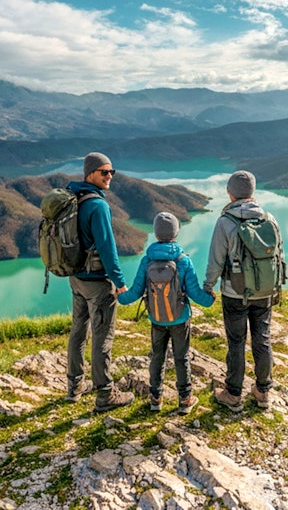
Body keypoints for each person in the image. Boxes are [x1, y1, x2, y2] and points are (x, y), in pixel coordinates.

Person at [118, 212, 215, 414]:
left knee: (157, 357)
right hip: (180, 319)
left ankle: (156, 399)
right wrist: (210, 299)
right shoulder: (183, 260)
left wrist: (120, 296)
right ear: (176, 233)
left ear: (155, 233)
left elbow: (136, 291)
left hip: (157, 319)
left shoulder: (147, 261)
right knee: (182, 358)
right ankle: (185, 399)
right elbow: (195, 292)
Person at [203, 170, 284, 412]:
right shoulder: (270, 219)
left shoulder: (225, 221)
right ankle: (262, 391)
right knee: (263, 339)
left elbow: (216, 260)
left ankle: (233, 394)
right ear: (252, 192)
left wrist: (208, 286)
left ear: (230, 193)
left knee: (236, 342)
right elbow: (279, 256)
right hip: (264, 292)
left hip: (234, 293)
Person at [64, 152, 133, 413]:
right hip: (96, 282)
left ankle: (74, 385)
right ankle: (105, 394)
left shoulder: (75, 197)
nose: (109, 177)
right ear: (90, 173)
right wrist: (120, 282)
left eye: (111, 172)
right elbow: (107, 248)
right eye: (104, 172)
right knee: (102, 337)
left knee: (78, 330)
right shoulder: (98, 206)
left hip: (76, 278)